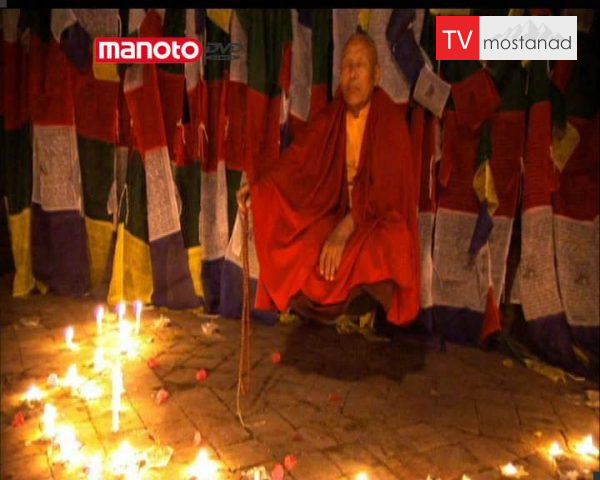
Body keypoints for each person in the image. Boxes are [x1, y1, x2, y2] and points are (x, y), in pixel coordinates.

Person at [237, 32, 419, 337]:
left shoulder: (390, 122)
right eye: (346, 66)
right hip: (336, 213)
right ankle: (325, 308)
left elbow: (388, 196)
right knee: (303, 246)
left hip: (370, 221)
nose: (351, 75)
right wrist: (259, 191)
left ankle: (368, 310)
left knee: (392, 242)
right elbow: (297, 163)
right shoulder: (333, 115)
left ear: (376, 75)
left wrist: (344, 231)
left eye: (360, 66)